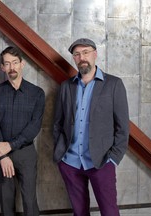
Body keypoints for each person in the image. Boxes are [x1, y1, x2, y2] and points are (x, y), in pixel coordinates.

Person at [53, 38, 129, 216]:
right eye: (77, 54)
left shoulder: (113, 84)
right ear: (74, 59)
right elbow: (57, 123)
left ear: (95, 54)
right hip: (70, 162)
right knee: (79, 212)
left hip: (101, 161)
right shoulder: (66, 87)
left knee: (109, 211)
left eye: (86, 52)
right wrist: (60, 154)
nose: (82, 57)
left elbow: (123, 127)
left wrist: (113, 159)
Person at [0, 46, 45, 216]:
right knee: (6, 203)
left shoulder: (37, 93)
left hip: (26, 154)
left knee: (29, 202)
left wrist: (10, 146)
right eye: (7, 64)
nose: (12, 68)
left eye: (15, 63)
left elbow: (34, 126)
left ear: (22, 64)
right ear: (2, 67)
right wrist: (3, 155)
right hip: (1, 155)